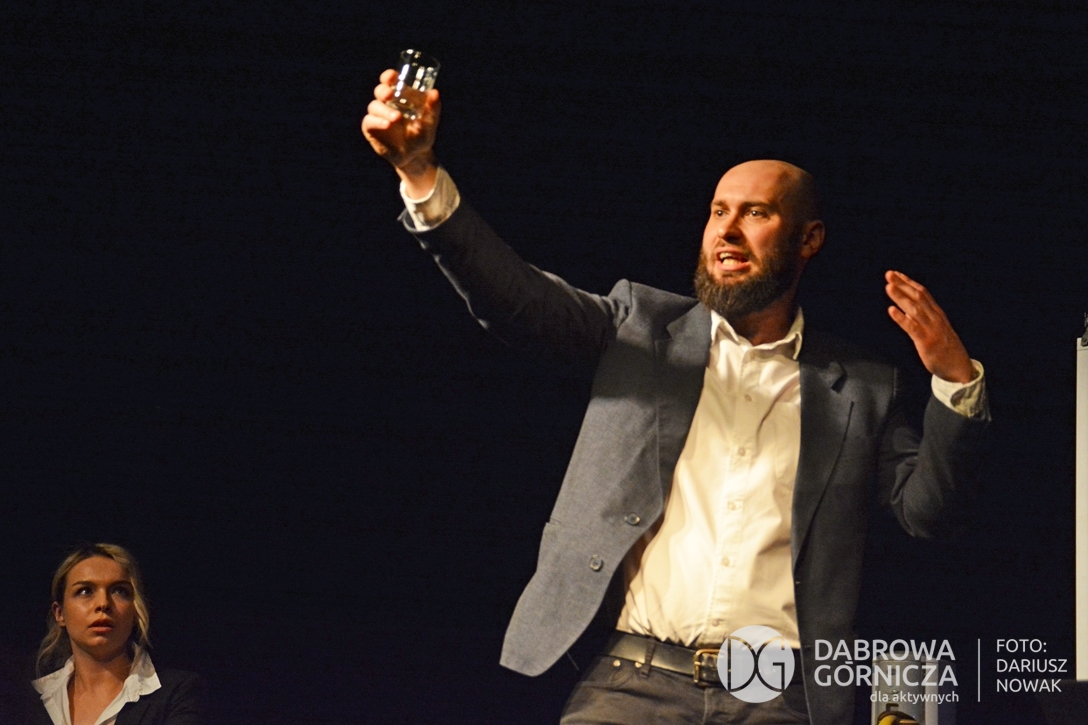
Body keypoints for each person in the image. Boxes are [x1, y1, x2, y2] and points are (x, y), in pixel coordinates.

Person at [362, 70, 988, 725]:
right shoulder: (638, 327)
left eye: (756, 213)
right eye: (718, 211)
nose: (727, 231)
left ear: (809, 239)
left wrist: (955, 380)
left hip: (775, 695)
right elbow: (516, 297)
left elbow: (930, 514)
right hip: (630, 685)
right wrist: (420, 175)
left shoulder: (861, 385)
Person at [29, 544, 205, 725]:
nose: (103, 603)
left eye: (119, 591)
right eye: (85, 591)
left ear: (135, 610)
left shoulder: (176, 693)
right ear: (60, 613)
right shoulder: (32, 700)